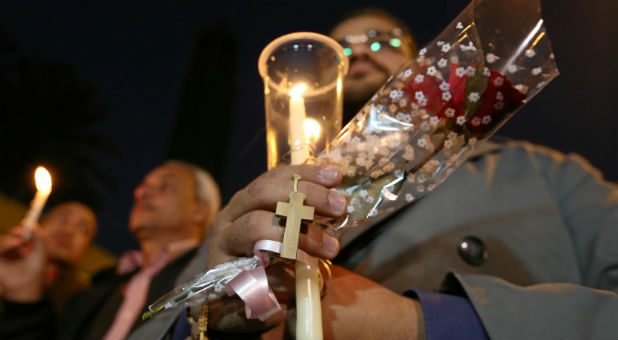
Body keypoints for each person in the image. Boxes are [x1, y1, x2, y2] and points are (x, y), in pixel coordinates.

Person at [133, 8, 618, 340]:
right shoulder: (262, 199)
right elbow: (155, 327)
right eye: (343, 48)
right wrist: (209, 315)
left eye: (381, 42)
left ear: (418, 62)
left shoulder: (544, 174)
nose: (359, 53)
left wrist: (423, 323)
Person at [0, 160, 221, 340]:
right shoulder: (97, 289)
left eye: (165, 186)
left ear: (200, 211)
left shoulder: (213, 282)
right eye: (144, 185)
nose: (142, 192)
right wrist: (24, 296)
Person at [0, 201, 97, 313]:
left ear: (86, 251)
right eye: (62, 218)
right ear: (41, 223)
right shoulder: (6, 260)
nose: (68, 231)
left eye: (83, 228)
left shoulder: (81, 303)